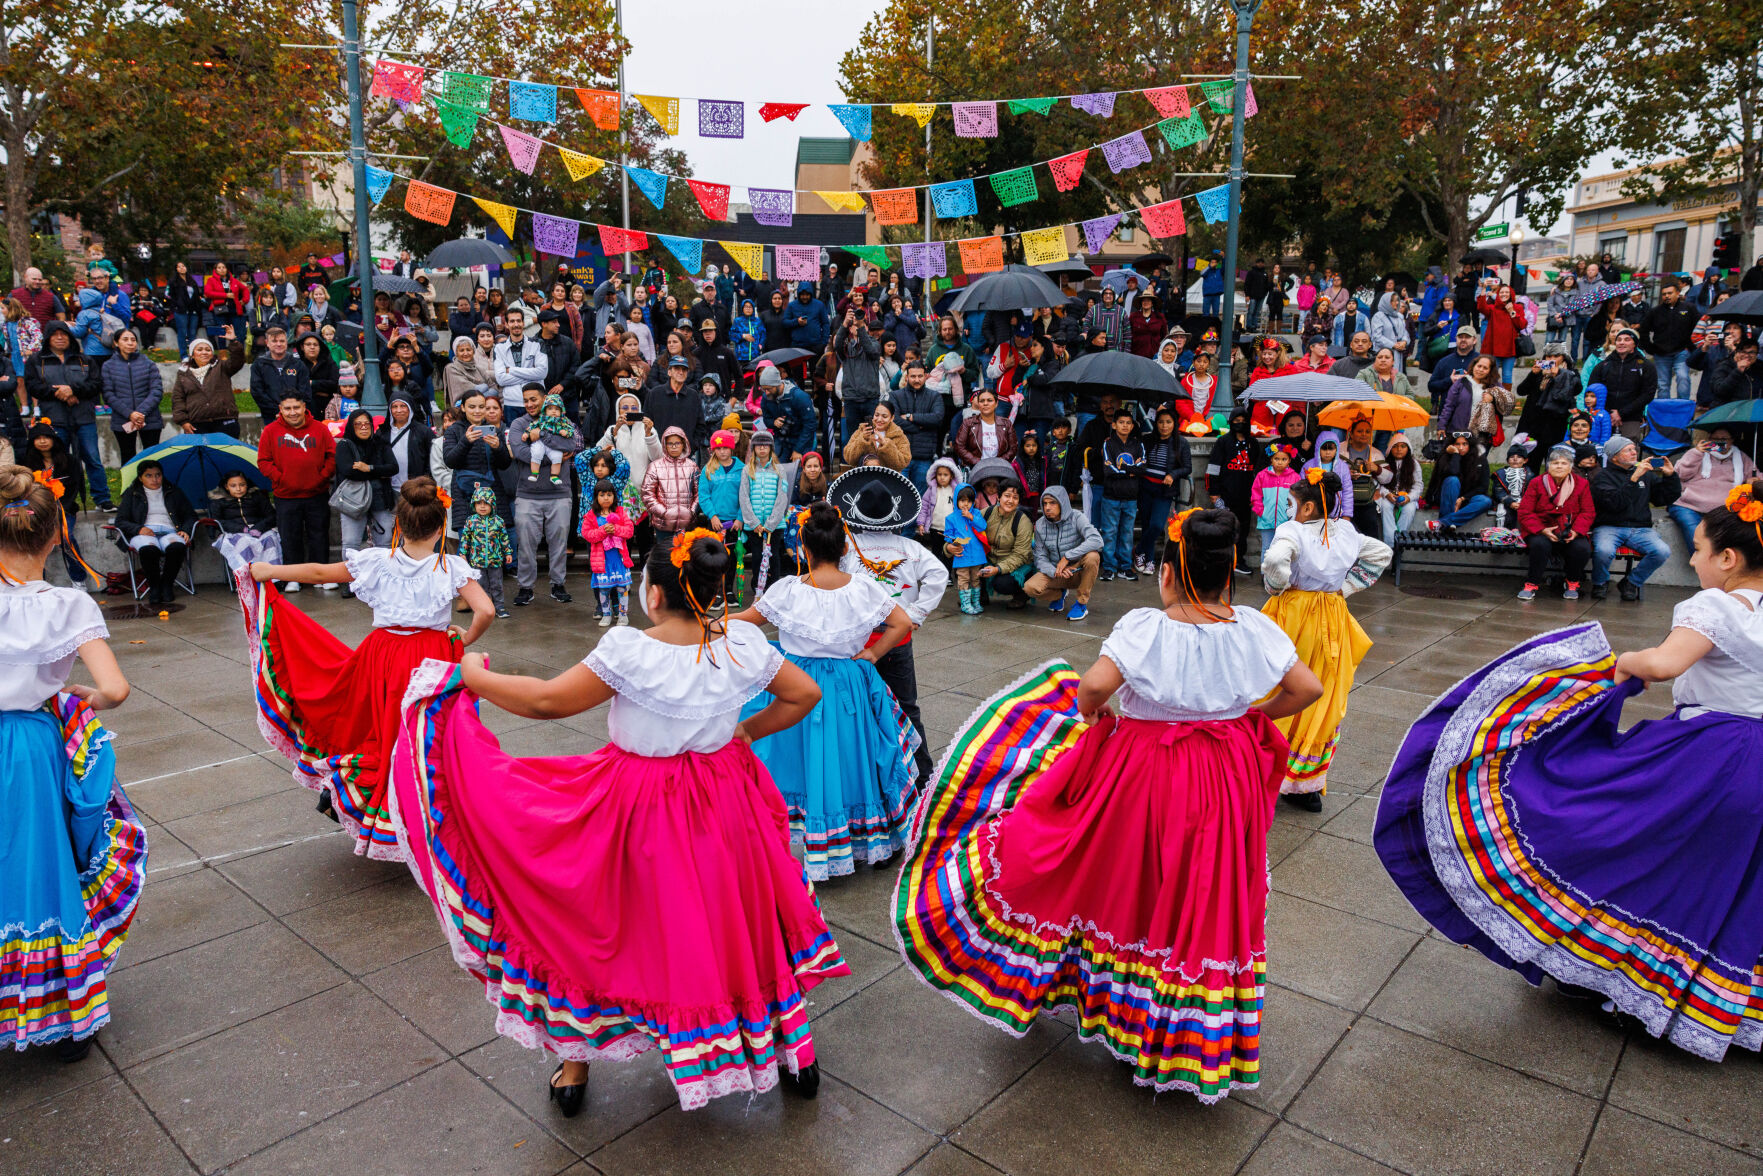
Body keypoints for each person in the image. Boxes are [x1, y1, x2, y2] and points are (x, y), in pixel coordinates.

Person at [391, 531, 840, 1114]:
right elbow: (805, 693)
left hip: (641, 802)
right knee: (741, 918)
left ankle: (575, 1059)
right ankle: (789, 1047)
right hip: (726, 797)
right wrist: (745, 733)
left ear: (652, 595)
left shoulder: (631, 650)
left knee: (605, 922)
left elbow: (546, 701)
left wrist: (473, 674)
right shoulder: (743, 644)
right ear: (715, 593)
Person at [896, 507, 1321, 1100]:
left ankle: (1129, 1014)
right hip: (1223, 778)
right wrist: (1249, 716)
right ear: (1228, 574)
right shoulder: (1255, 628)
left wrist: (1097, 713)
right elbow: (1307, 688)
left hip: (1150, 773)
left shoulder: (1147, 627)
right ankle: (1187, 1035)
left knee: (1135, 884)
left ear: (1168, 573)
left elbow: (1093, 687)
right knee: (1199, 888)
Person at [1375, 478, 1763, 1064]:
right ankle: (1704, 1001)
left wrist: (1625, 662)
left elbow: (1664, 663)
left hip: (1712, 756)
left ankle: (1620, 976)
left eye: (1701, 550)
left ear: (1728, 559)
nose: (1693, 560)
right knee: (1724, 875)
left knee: (1623, 842)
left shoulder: (1716, 605)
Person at [245, 477, 492, 853]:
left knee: (378, 727)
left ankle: (372, 803)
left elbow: (319, 573)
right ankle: (423, 814)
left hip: (383, 654)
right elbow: (485, 610)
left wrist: (271, 571)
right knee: (427, 737)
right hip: (432, 657)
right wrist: (467, 637)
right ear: (440, 527)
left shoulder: (376, 560)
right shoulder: (452, 566)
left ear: (398, 524)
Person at [0, 464, 145, 1058]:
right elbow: (114, 688)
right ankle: (56, 1013)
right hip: (27, 748)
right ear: (57, 532)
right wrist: (84, 698)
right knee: (39, 865)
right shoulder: (65, 604)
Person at [725, 500, 920, 879]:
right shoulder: (863, 588)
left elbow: (744, 621)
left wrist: (703, 625)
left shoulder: (787, 590)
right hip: (849, 684)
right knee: (851, 757)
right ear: (844, 547)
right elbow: (901, 623)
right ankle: (861, 838)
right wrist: (872, 653)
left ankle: (809, 837)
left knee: (798, 758)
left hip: (795, 684)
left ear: (803, 548)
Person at [1261, 470, 1392, 809]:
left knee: (1279, 685)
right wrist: (1344, 588)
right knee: (1323, 691)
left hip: (1294, 614)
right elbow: (1381, 553)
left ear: (1306, 508)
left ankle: (1267, 771)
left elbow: (1274, 559)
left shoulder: (1292, 530)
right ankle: (1304, 785)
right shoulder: (1346, 530)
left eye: (1291, 504)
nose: (1288, 510)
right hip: (1332, 614)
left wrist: (1277, 586)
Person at [1588, 435, 1680, 602]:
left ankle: (1631, 582)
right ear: (1614, 457)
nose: (1634, 453)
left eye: (1634, 449)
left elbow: (1662, 499)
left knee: (1662, 551)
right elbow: (1615, 504)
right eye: (1628, 450)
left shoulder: (1646, 475)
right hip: (1610, 526)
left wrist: (1670, 476)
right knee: (1603, 551)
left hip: (1640, 528)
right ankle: (1600, 583)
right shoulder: (1602, 476)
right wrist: (1633, 479)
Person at [257, 392, 335, 584]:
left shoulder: (320, 429)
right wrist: (281, 479)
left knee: (319, 535)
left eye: (296, 407)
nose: (292, 412)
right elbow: (264, 461)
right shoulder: (270, 431)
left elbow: (332, 456)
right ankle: (293, 578)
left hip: (317, 493)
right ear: (280, 410)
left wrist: (321, 477)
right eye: (287, 408)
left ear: (304, 407)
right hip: (286, 495)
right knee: (290, 537)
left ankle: (322, 578)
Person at [1513, 444, 1594, 602]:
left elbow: (1587, 512)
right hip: (1541, 529)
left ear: (1570, 467)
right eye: (1555, 463)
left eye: (1564, 463)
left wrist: (1576, 531)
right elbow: (1525, 511)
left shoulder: (1581, 484)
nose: (1559, 466)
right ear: (1549, 466)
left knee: (1582, 548)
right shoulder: (1536, 482)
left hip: (1569, 529)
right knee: (1540, 545)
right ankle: (1531, 584)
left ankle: (1572, 583)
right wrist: (1542, 530)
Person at [113, 458, 194, 605]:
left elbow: (190, 515)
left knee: (177, 547)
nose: (154, 479)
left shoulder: (174, 491)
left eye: (158, 475)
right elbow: (120, 521)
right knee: (149, 550)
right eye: (148, 476)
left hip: (170, 531)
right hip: (144, 532)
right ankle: (155, 587)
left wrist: (185, 530)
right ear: (140, 478)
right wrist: (139, 529)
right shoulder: (132, 493)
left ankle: (167, 585)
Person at [1670, 427, 1758, 553]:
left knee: (1732, 537)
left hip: (1724, 510)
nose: (1719, 442)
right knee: (1695, 534)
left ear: (1732, 440)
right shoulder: (1697, 453)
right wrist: (1697, 453)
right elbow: (1679, 475)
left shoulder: (1741, 457)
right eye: (1715, 439)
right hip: (1689, 506)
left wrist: (1754, 480)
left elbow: (1757, 477)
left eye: (1723, 439)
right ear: (1709, 439)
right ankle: (1702, 561)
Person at [1026, 486, 1103, 622]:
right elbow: (1040, 557)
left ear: (1062, 503)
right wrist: (1055, 571)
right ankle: (1059, 595)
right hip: (1057, 572)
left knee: (1093, 556)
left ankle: (1081, 603)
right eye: (1045, 503)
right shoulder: (1040, 525)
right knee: (1030, 588)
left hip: (1078, 570)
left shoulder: (1077, 517)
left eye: (1052, 503)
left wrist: (1067, 557)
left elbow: (1097, 540)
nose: (1047, 508)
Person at [1205, 410, 1266, 573]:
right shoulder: (1223, 442)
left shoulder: (1253, 443)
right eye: (1236, 420)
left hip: (1246, 495)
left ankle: (1238, 561)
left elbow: (1258, 470)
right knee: (1223, 528)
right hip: (1225, 494)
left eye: (1243, 420)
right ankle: (1221, 561)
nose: (1240, 423)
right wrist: (1213, 493)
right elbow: (1213, 468)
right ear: (1231, 421)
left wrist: (1256, 495)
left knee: (1243, 530)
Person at [333, 407, 396, 558]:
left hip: (380, 499)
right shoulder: (344, 445)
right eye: (358, 424)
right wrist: (379, 472)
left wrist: (368, 468)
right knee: (351, 544)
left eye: (367, 423)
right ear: (351, 426)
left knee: (385, 542)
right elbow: (348, 471)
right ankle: (350, 573)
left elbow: (393, 468)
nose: (363, 427)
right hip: (353, 501)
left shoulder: (380, 443)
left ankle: (382, 572)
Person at [1091, 409, 1144, 582]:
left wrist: (1124, 468)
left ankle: (1125, 567)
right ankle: (1109, 567)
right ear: (1114, 425)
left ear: (1132, 426)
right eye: (1121, 422)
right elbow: (1108, 469)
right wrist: (1131, 470)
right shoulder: (1108, 444)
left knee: (1127, 534)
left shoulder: (1138, 445)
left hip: (1131, 498)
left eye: (1128, 423)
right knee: (1109, 533)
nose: (1125, 426)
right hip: (1111, 497)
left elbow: (1143, 467)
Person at [97, 328, 161, 463]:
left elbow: (156, 391)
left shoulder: (148, 363)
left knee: (152, 458)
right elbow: (108, 394)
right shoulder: (108, 366)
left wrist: (141, 413)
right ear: (116, 343)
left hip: (149, 418)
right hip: (123, 418)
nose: (130, 343)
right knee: (128, 457)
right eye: (125, 339)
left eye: (133, 340)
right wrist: (129, 414)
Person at [578, 478, 634, 626]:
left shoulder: (620, 512)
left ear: (614, 496)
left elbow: (629, 531)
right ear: (596, 497)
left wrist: (615, 529)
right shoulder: (591, 516)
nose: (606, 498)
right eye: (602, 495)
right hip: (602, 561)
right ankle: (606, 614)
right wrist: (603, 530)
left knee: (622, 588)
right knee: (603, 589)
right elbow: (587, 534)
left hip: (619, 560)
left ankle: (623, 615)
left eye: (609, 494)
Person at [168, 335, 247, 437]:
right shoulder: (183, 374)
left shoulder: (222, 367)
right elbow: (178, 399)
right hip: (196, 424)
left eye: (208, 350)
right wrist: (183, 421)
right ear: (192, 354)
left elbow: (238, 360)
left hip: (225, 422)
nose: (204, 352)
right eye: (199, 350)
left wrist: (233, 341)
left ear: (212, 353)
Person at [1589, 327, 1655, 442]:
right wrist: (1610, 413)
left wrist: (1621, 413)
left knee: (1627, 447)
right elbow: (1592, 391)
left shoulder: (1645, 366)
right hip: (1604, 416)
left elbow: (1648, 394)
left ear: (1634, 344)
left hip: (1631, 417)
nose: (1622, 342)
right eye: (1619, 340)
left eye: (1627, 339)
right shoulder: (1603, 365)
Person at [640, 425, 698, 547]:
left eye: (677, 443)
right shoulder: (655, 466)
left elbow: (700, 492)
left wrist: (692, 511)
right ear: (664, 445)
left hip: (687, 523)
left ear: (684, 444)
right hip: (663, 524)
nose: (674, 446)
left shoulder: (692, 466)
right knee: (665, 555)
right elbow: (647, 494)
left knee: (685, 555)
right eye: (670, 443)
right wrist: (663, 512)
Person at [1640, 280, 1697, 401]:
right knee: (1662, 384)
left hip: (1682, 352)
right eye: (1664, 294)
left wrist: (1692, 347)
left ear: (1678, 293)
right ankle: (1664, 408)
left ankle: (1683, 406)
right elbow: (1643, 330)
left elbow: (1698, 327)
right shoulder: (1655, 312)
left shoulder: (1689, 308)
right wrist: (1650, 348)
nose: (1667, 296)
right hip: (1661, 354)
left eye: (1670, 293)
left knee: (1683, 378)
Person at [1425, 432, 1493, 530]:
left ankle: (1442, 523)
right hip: (1448, 498)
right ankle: (1446, 525)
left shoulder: (1480, 460)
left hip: (1468, 498)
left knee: (1485, 501)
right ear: (1452, 445)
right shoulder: (1446, 457)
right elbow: (1453, 472)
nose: (1461, 447)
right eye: (1457, 444)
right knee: (1453, 480)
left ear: (1470, 445)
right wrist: (1456, 455)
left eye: (1465, 444)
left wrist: (1462, 498)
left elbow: (1483, 487)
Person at [1476, 281, 1526, 386]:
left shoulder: (1517, 308)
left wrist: (1512, 311)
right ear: (1498, 295)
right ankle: (1492, 394)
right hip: (1494, 348)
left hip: (1510, 347)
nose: (1504, 294)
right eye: (1501, 292)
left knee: (1507, 374)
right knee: (1493, 374)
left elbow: (1521, 325)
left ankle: (1506, 396)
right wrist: (1484, 289)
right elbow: (1481, 307)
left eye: (1507, 292)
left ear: (1511, 294)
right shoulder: (1493, 308)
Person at [1374, 436, 1422, 542]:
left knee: (1409, 510)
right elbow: (1379, 483)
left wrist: (1409, 497)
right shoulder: (1384, 463)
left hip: (1406, 496)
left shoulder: (1414, 464)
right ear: (1390, 449)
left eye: (1403, 446)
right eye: (1395, 446)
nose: (1399, 449)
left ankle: (1399, 539)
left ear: (1408, 448)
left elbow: (1418, 486)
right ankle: (1390, 542)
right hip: (1388, 495)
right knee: (1385, 506)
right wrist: (1387, 494)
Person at [841, 401, 909, 471]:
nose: (879, 419)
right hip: (864, 476)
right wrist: (862, 440)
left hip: (888, 477)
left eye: (884, 416)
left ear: (892, 418)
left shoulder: (898, 435)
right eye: (876, 415)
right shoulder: (862, 431)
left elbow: (903, 463)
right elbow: (849, 458)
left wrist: (886, 444)